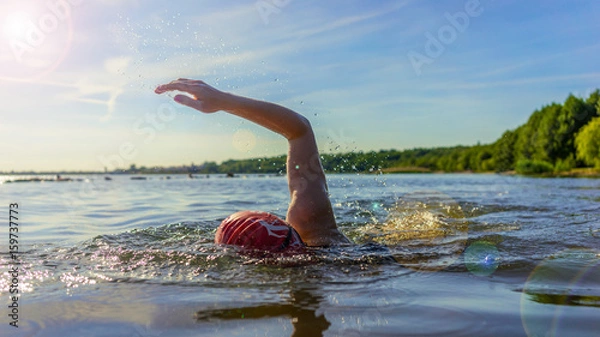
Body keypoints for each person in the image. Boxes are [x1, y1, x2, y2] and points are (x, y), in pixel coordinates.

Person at [155, 79, 351, 252]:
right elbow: (300, 130)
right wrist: (223, 101)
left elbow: (300, 132)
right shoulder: (316, 232)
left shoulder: (315, 234)